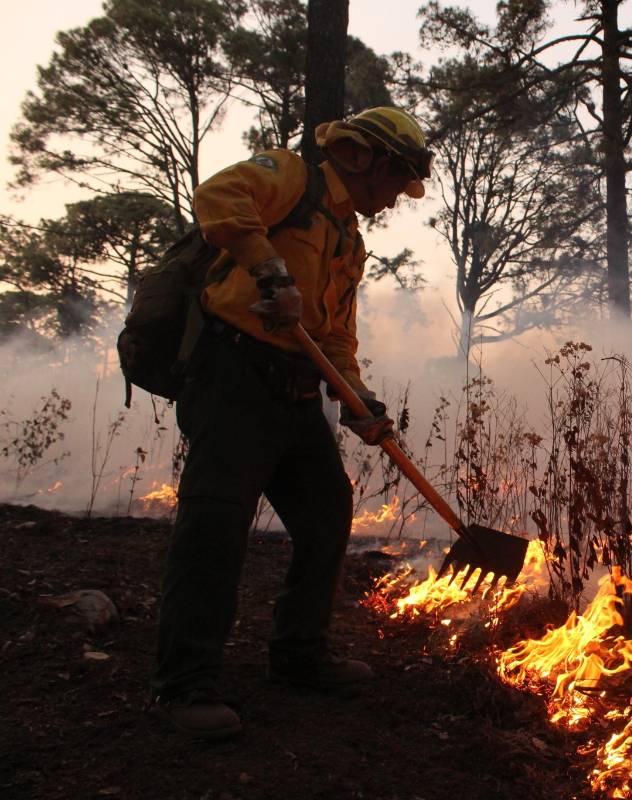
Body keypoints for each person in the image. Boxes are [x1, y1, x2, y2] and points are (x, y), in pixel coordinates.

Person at [151, 107, 433, 740]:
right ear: (370, 161)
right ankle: (184, 685)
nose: (397, 199)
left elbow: (333, 339)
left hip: (298, 394)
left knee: (327, 513)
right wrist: (269, 269)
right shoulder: (290, 177)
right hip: (234, 377)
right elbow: (219, 195)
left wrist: (360, 401)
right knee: (215, 526)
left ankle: (299, 655)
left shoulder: (348, 239)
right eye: (398, 182)